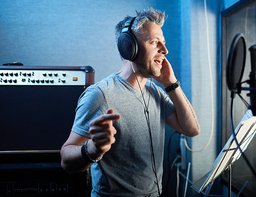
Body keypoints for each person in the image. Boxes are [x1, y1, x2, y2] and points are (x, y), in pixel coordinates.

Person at [60, 8, 200, 197]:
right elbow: (66, 160)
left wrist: (171, 84)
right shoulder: (100, 94)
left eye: (164, 44)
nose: (165, 51)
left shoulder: (157, 93)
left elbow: (191, 129)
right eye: (154, 42)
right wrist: (92, 149)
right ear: (128, 47)